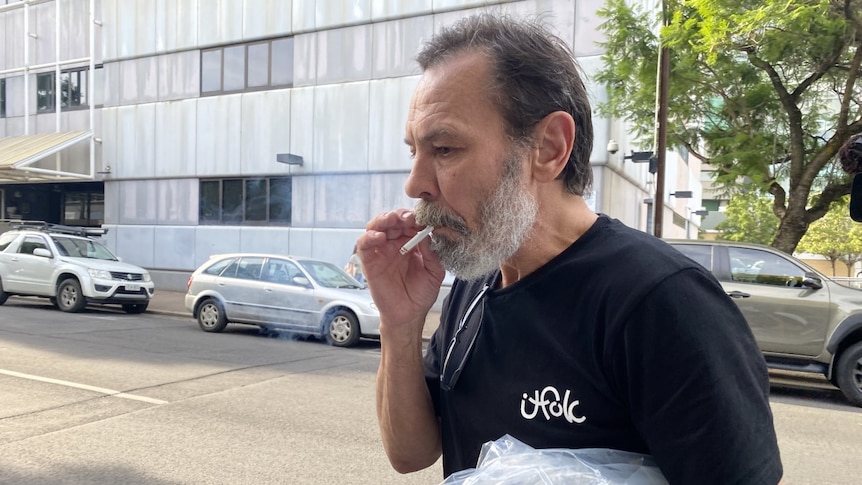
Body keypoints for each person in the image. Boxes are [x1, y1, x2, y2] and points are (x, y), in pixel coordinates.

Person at [357, 13, 783, 484]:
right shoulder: (475, 285)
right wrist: (399, 322)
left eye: (445, 150)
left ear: (548, 147)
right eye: (413, 151)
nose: (415, 184)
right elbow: (410, 454)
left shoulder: (661, 302)